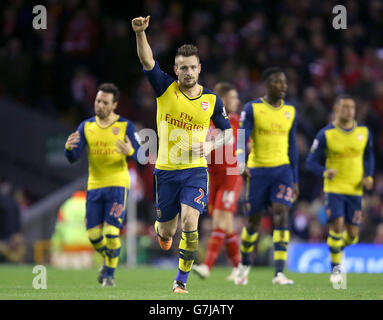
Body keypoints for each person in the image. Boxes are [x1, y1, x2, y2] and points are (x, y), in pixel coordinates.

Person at [132, 16, 233, 293]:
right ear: (176, 70)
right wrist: (141, 34)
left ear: (199, 69)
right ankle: (162, 232)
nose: (188, 72)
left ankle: (181, 281)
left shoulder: (211, 100)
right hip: (165, 173)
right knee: (166, 232)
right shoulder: (165, 88)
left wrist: (211, 146)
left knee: (190, 220)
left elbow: (228, 132)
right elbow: (148, 61)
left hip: (195, 172)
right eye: (183, 68)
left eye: (192, 67)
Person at [64, 83, 141, 287]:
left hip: (118, 185)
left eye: (105, 102)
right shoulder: (86, 126)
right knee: (94, 235)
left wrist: (130, 152)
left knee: (111, 232)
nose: (99, 105)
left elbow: (143, 157)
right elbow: (73, 157)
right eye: (98, 101)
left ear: (114, 105)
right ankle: (110, 259)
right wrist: (68, 148)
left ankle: (109, 274)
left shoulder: (126, 126)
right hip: (95, 185)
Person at [235, 67, 299, 285]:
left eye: (284, 82)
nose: (283, 86)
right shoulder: (252, 108)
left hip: (282, 170)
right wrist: (241, 160)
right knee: (253, 222)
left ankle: (279, 272)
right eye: (277, 82)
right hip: (258, 171)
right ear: (267, 85)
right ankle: (243, 264)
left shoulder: (290, 111)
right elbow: (242, 136)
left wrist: (296, 178)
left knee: (281, 214)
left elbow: (293, 148)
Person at [306, 94, 374, 284]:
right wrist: (325, 171)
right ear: (336, 109)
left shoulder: (364, 132)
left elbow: (369, 157)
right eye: (344, 107)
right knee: (336, 225)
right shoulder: (326, 134)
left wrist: (368, 176)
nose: (349, 111)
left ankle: (337, 248)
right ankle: (336, 270)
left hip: (355, 190)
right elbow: (311, 161)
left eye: (351, 107)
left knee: (352, 235)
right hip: (334, 189)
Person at [192, 82, 242, 281]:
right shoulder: (208, 122)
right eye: (232, 97)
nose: (236, 101)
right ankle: (240, 268)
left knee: (219, 220)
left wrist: (245, 161)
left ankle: (207, 266)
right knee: (226, 225)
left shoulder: (236, 121)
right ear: (222, 100)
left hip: (230, 175)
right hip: (213, 176)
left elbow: (243, 144)